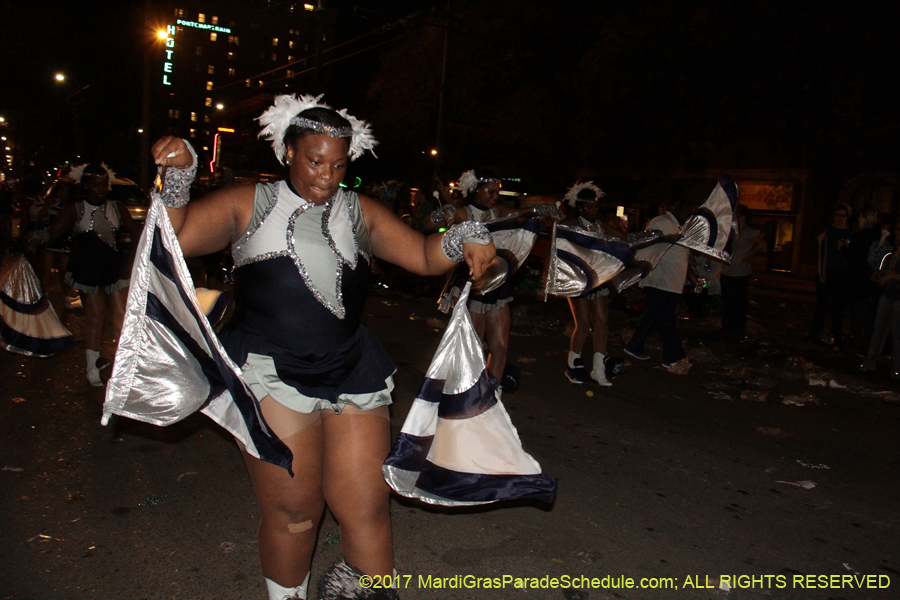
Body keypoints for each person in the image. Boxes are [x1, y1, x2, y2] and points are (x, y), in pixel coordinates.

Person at [150, 94, 495, 600]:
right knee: (294, 514)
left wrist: (465, 234)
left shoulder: (360, 210)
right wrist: (179, 175)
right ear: (287, 151)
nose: (327, 176)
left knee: (367, 506)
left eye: (338, 165)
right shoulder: (248, 202)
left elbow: (422, 255)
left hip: (353, 367)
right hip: (272, 369)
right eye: (315, 161)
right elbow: (173, 238)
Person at [27, 163, 134, 386]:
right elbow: (53, 232)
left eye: (104, 185)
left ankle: (122, 365)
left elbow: (136, 232)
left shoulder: (118, 207)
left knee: (119, 316)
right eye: (96, 185)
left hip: (113, 267)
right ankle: (92, 367)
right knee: (95, 318)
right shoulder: (75, 209)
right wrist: (35, 239)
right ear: (85, 186)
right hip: (88, 268)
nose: (102, 190)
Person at [624, 200, 692, 369]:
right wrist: (666, 239)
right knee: (665, 319)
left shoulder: (680, 227)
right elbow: (646, 242)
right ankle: (673, 356)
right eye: (687, 212)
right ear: (678, 209)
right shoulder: (661, 222)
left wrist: (691, 273)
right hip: (660, 280)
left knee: (654, 315)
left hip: (671, 281)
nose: (688, 217)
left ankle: (634, 346)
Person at [561, 182, 612, 387]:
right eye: (589, 206)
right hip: (577, 279)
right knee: (583, 324)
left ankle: (598, 369)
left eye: (596, 206)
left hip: (598, 278)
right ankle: (572, 366)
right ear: (580, 207)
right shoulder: (571, 223)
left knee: (601, 322)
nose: (593, 210)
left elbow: (622, 238)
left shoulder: (600, 224)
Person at [807, 203, 853, 349]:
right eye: (837, 215)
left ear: (847, 218)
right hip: (825, 272)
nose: (839, 218)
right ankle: (813, 334)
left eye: (843, 216)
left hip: (841, 273)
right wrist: (819, 240)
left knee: (837, 308)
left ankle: (838, 338)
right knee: (821, 305)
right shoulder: (827, 229)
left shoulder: (851, 233)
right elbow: (814, 248)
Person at [859, 219, 900, 378]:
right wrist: (881, 273)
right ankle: (871, 360)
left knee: (897, 333)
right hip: (888, 292)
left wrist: (891, 275)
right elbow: (887, 266)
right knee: (879, 329)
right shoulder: (895, 249)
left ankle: (896, 367)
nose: (897, 232)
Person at [719, 204, 766, 340]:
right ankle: (727, 327)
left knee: (738, 302)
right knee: (727, 301)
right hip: (727, 270)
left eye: (738, 216)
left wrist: (746, 256)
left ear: (743, 217)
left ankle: (737, 329)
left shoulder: (748, 232)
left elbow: (762, 245)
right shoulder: (731, 231)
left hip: (740, 272)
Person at [846, 208, 881, 354]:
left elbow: (854, 258)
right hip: (873, 279)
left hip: (859, 278)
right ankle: (869, 340)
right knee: (869, 312)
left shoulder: (860, 236)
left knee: (857, 309)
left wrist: (844, 249)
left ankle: (858, 339)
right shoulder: (878, 236)